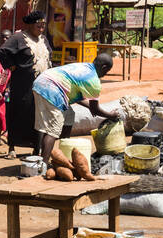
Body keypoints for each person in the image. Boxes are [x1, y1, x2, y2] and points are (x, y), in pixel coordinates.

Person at [32, 52, 117, 182]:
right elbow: (96, 109)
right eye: (108, 71)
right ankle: (42, 167)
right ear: (104, 67)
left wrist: (90, 107)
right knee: (53, 129)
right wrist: (111, 115)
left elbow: (76, 95)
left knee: (69, 115)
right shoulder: (93, 80)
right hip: (50, 89)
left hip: (41, 82)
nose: (106, 74)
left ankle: (62, 156)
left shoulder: (84, 67)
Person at [0, 12, 52, 156]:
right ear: (31, 24)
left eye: (43, 25)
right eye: (38, 25)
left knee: (38, 115)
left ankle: (36, 147)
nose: (41, 28)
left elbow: (48, 57)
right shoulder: (18, 38)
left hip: (42, 86)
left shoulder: (43, 39)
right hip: (22, 85)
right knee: (18, 113)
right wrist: (12, 66)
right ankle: (12, 147)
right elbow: (2, 51)